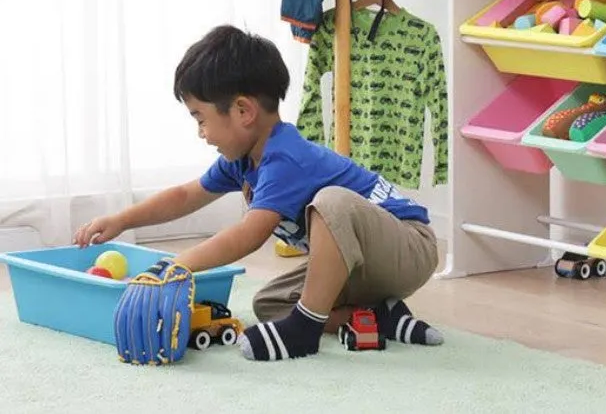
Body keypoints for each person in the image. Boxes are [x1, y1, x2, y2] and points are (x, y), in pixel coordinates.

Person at [73, 24, 443, 361]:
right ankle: (379, 316)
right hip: (361, 264)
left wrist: (174, 266)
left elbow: (249, 235)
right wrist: (120, 219)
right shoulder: (243, 158)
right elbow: (186, 195)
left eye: (201, 119)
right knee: (270, 303)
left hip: (409, 246)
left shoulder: (286, 158)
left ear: (243, 111)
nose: (201, 133)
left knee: (331, 201)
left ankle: (306, 330)